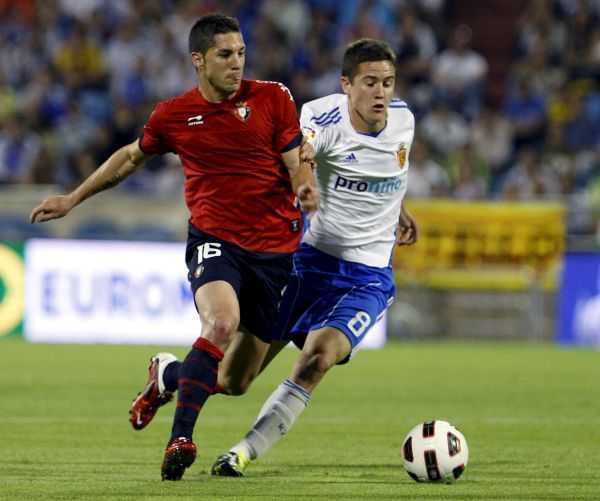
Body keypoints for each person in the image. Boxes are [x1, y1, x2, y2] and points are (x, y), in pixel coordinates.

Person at [29, 13, 319, 481]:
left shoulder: (273, 97)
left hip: (275, 253)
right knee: (220, 322)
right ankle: (180, 439)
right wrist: (73, 197)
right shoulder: (175, 114)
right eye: (226, 55)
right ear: (199, 60)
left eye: (241, 53)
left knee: (236, 382)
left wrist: (305, 186)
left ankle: (167, 377)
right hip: (216, 241)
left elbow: (295, 161)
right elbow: (129, 157)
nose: (237, 63)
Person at [209, 38, 418, 477]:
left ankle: (241, 453)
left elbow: (386, 174)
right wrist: (305, 184)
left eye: (388, 83)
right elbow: (300, 156)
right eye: (370, 83)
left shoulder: (404, 120)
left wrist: (399, 209)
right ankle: (170, 375)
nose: (381, 93)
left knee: (318, 360)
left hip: (368, 278)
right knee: (233, 381)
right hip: (306, 265)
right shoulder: (320, 117)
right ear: (347, 85)